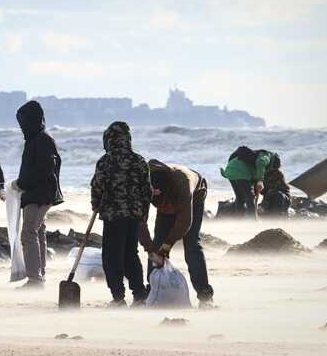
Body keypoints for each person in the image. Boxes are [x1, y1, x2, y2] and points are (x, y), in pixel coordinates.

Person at [90, 122, 152, 307]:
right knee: (130, 254)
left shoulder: (106, 160)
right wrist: (143, 214)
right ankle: (139, 294)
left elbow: (97, 186)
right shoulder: (139, 160)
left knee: (111, 256)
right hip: (134, 216)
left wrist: (95, 204)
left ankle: (118, 298)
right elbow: (147, 191)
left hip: (113, 216)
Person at [148, 159, 214, 308]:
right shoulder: (144, 183)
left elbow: (184, 223)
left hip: (195, 195)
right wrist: (150, 246)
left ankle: (205, 296)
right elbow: (140, 219)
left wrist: (167, 246)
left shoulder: (183, 184)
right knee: (156, 245)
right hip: (169, 194)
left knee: (192, 245)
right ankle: (152, 292)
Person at [12, 100, 63, 288]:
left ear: (31, 120)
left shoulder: (42, 139)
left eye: (22, 122)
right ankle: (39, 275)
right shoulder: (36, 138)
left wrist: (21, 183)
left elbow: (45, 169)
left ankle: (35, 278)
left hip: (40, 194)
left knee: (28, 232)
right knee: (38, 231)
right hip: (39, 192)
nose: (21, 126)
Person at [221, 146, 280, 217]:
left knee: (240, 198)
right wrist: (260, 180)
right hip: (240, 171)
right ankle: (253, 220)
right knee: (250, 197)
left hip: (230, 170)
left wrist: (254, 188)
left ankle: (238, 220)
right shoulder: (267, 156)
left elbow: (251, 178)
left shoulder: (256, 156)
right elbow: (260, 162)